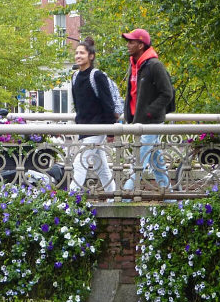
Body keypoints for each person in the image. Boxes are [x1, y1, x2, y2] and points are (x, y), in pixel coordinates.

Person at [121, 28, 174, 190]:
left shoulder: (154, 65)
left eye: (131, 42)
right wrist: (130, 116)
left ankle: (124, 198)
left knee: (139, 160)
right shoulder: (135, 65)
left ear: (141, 44)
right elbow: (132, 93)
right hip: (140, 122)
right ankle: (169, 197)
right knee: (156, 162)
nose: (128, 45)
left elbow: (167, 93)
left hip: (152, 122)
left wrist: (149, 112)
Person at [70, 36, 123, 193]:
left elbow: (107, 104)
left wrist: (110, 130)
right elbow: (79, 106)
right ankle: (113, 196)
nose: (78, 56)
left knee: (80, 162)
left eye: (82, 53)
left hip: (97, 126)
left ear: (90, 56)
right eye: (76, 53)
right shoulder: (75, 77)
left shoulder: (97, 75)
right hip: (84, 128)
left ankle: (70, 199)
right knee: (101, 166)